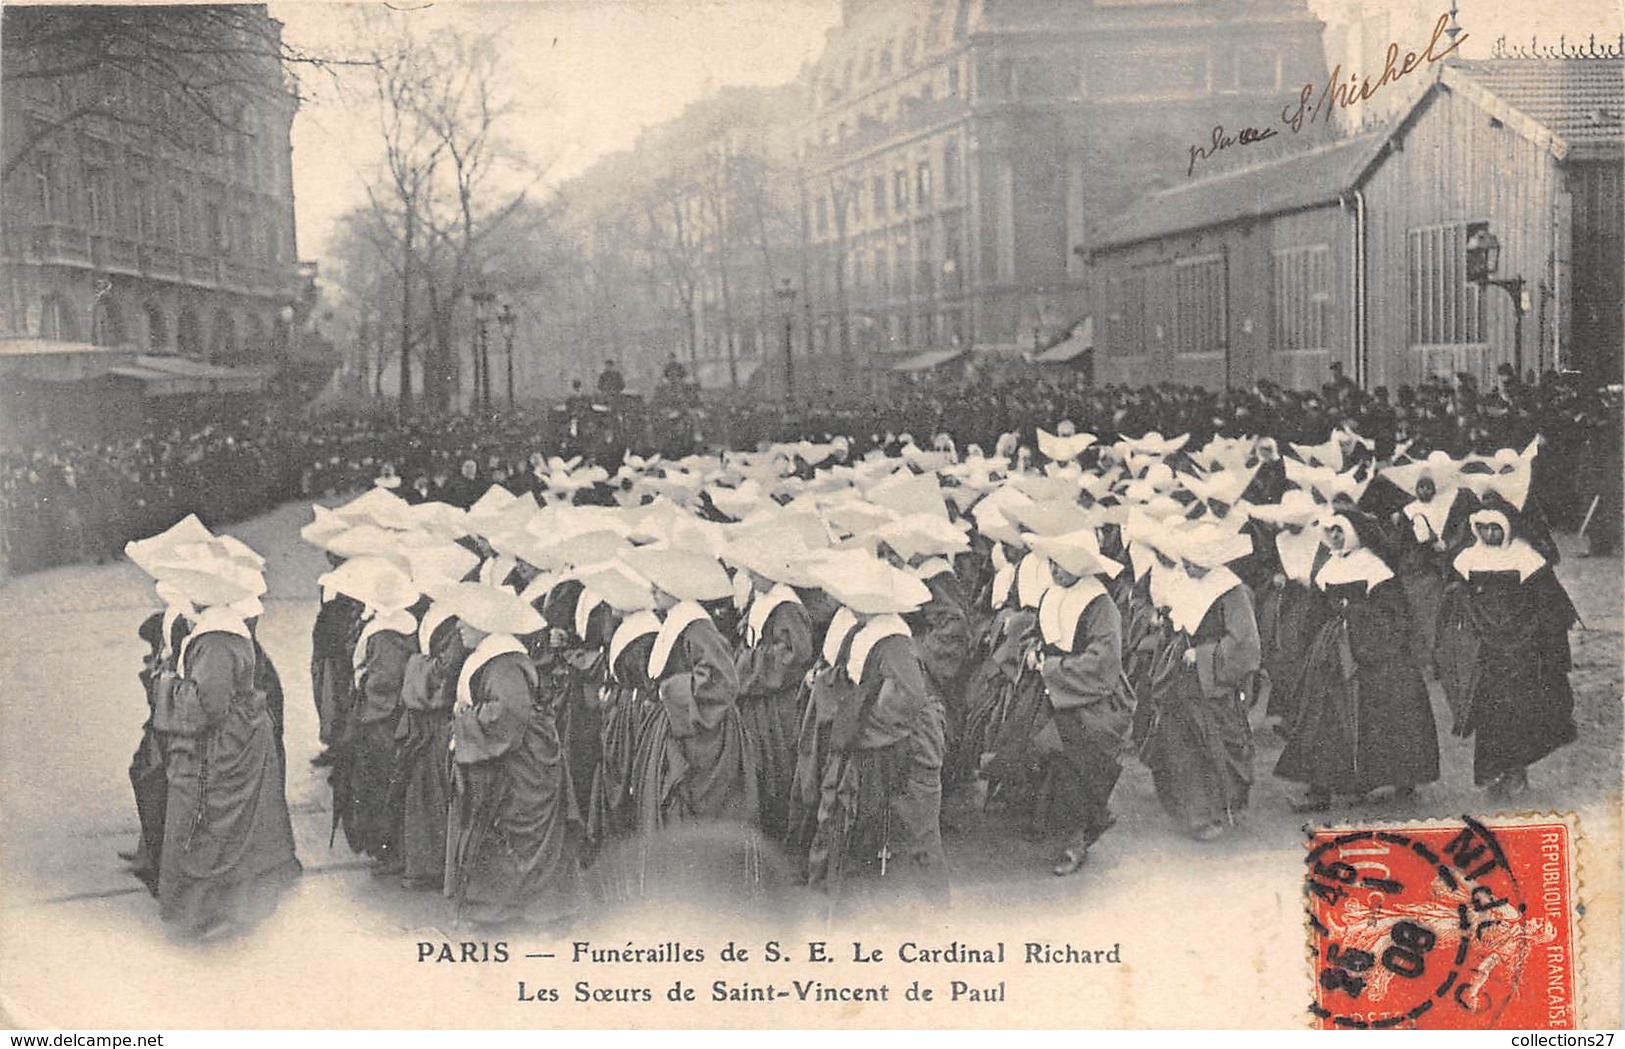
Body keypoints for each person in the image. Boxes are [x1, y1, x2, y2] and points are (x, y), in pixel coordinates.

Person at [150, 543, 301, 937]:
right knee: (229, 827)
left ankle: (208, 910)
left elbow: (208, 706)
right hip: (237, 736)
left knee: (205, 820)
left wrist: (169, 686)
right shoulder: (221, 628)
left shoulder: (215, 639)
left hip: (220, 744)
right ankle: (226, 906)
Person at [1275, 514, 1440, 811]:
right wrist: (1315, 640)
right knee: (1324, 716)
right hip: (1333, 653)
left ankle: (1397, 781)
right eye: (1330, 532)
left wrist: (1356, 619)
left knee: (1384, 714)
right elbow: (1316, 612)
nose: (1335, 538)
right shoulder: (1328, 568)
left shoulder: (1375, 568)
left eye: (1340, 531)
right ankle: (1320, 791)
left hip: (1373, 652)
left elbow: (1394, 614)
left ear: (1352, 532)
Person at [445, 582, 579, 928]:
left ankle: (513, 907)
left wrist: (464, 719)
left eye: (466, 621)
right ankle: (508, 905)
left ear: (486, 624)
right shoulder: (495, 656)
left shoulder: (504, 662)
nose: (459, 626)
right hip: (516, 756)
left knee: (513, 830)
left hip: (522, 763)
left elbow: (508, 715)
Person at [1436, 509, 1579, 797]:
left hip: (1521, 646)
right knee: (1489, 710)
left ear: (1508, 528)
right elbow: (1453, 596)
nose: (1490, 534)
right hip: (1484, 647)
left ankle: (1516, 771)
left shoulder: (1526, 557)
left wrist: (1542, 640)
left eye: (1496, 528)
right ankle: (1494, 771)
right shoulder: (1468, 558)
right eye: (1484, 528)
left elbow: (1550, 603)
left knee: (1519, 709)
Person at [1138, 523, 1261, 841]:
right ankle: (1194, 812)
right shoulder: (1187, 581)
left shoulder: (1231, 591)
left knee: (1214, 745)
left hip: (1211, 681)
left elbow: (1245, 642)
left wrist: (1205, 655)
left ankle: (1212, 810)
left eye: (1193, 562)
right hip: (1181, 675)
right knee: (1180, 745)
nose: (1187, 567)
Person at [1026, 530, 1129, 876]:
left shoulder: (1101, 606)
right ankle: (1056, 821)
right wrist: (1033, 651)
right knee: (1028, 741)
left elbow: (1103, 662)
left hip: (1091, 694)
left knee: (1073, 756)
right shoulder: (1052, 594)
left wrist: (1052, 669)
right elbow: (1040, 632)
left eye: (1063, 565)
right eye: (1052, 563)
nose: (1056, 570)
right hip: (1053, 684)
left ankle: (1076, 839)